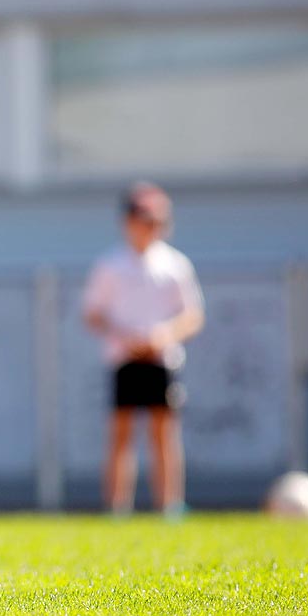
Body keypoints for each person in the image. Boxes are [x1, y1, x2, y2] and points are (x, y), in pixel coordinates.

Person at [81, 182, 205, 517]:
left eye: (159, 221)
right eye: (145, 219)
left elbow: (192, 315)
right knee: (121, 433)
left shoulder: (174, 265)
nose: (152, 228)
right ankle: (117, 506)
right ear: (128, 222)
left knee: (163, 433)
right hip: (124, 358)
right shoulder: (111, 265)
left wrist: (163, 335)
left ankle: (170, 506)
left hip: (161, 358)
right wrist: (125, 337)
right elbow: (92, 313)